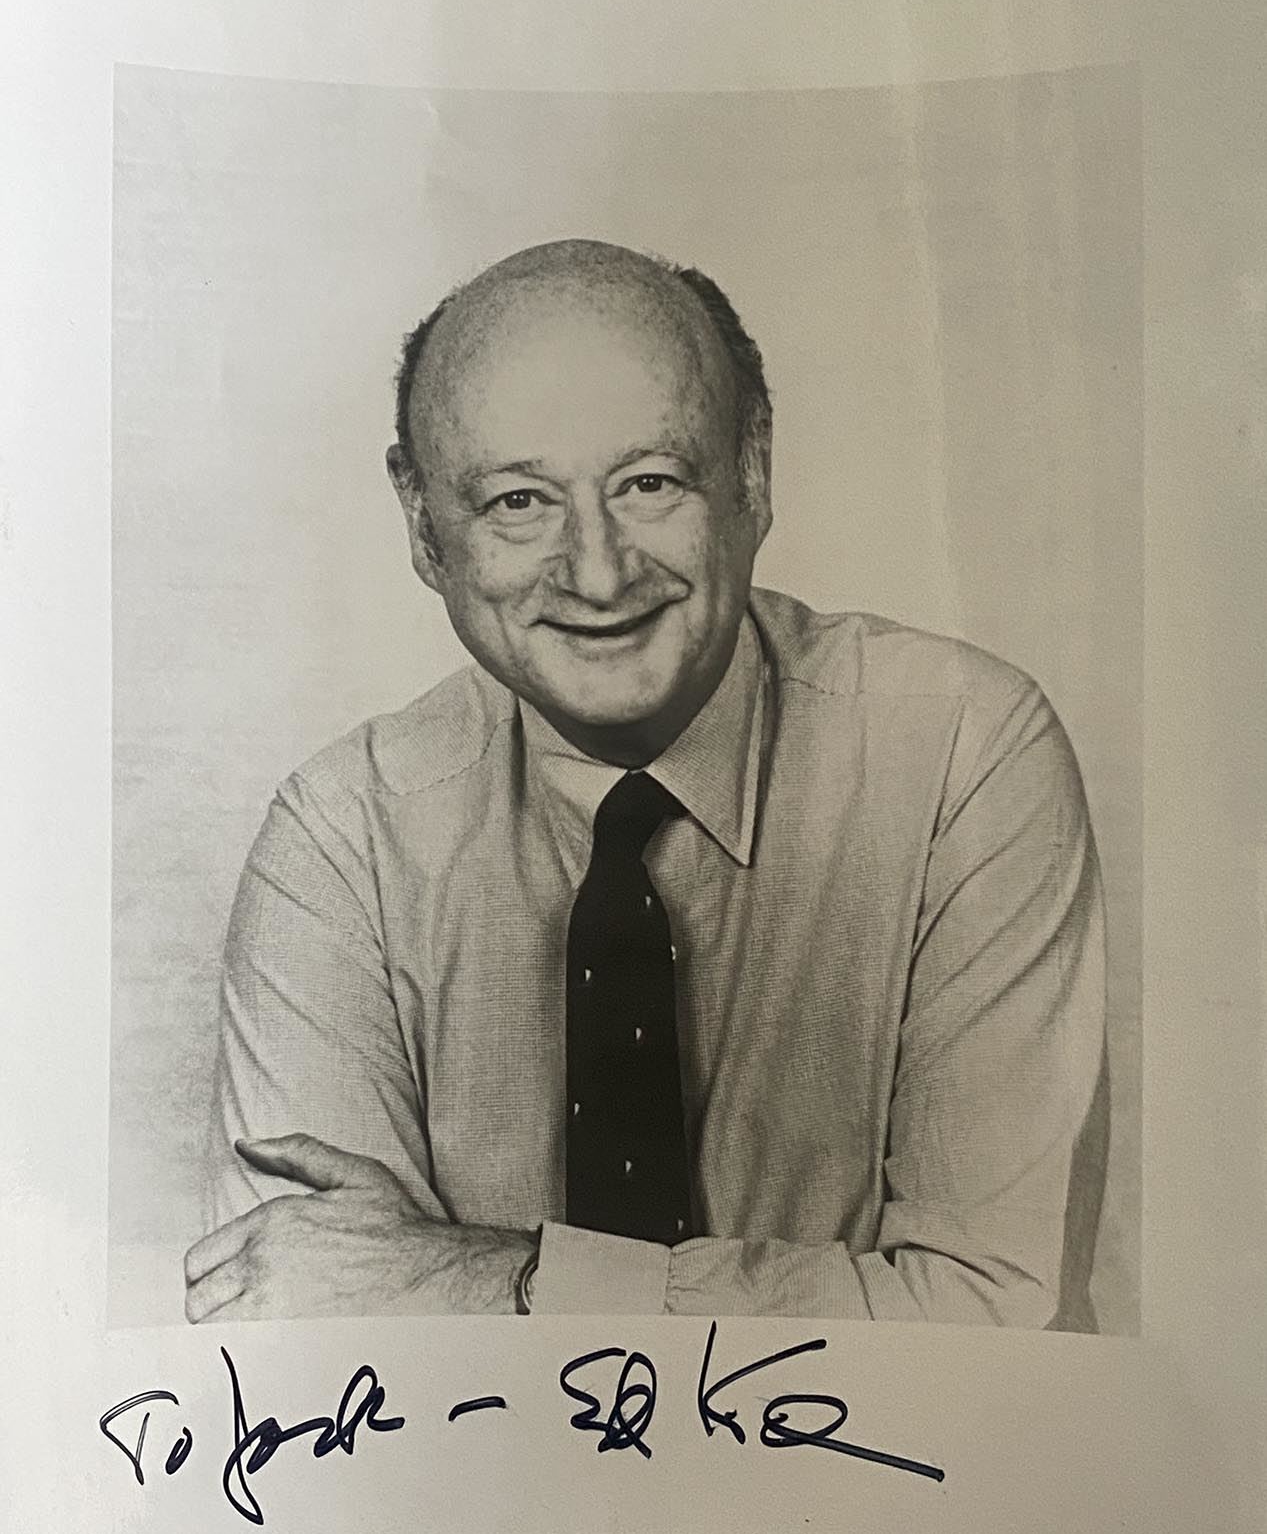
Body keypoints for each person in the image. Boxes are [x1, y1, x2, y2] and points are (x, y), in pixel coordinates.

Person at [184, 238, 1107, 1328]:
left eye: (649, 483)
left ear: (751, 473)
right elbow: (297, 1316)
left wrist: (487, 1280)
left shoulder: (961, 751)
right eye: (518, 501)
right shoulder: (340, 839)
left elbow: (994, 1324)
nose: (599, 571)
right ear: (423, 525)